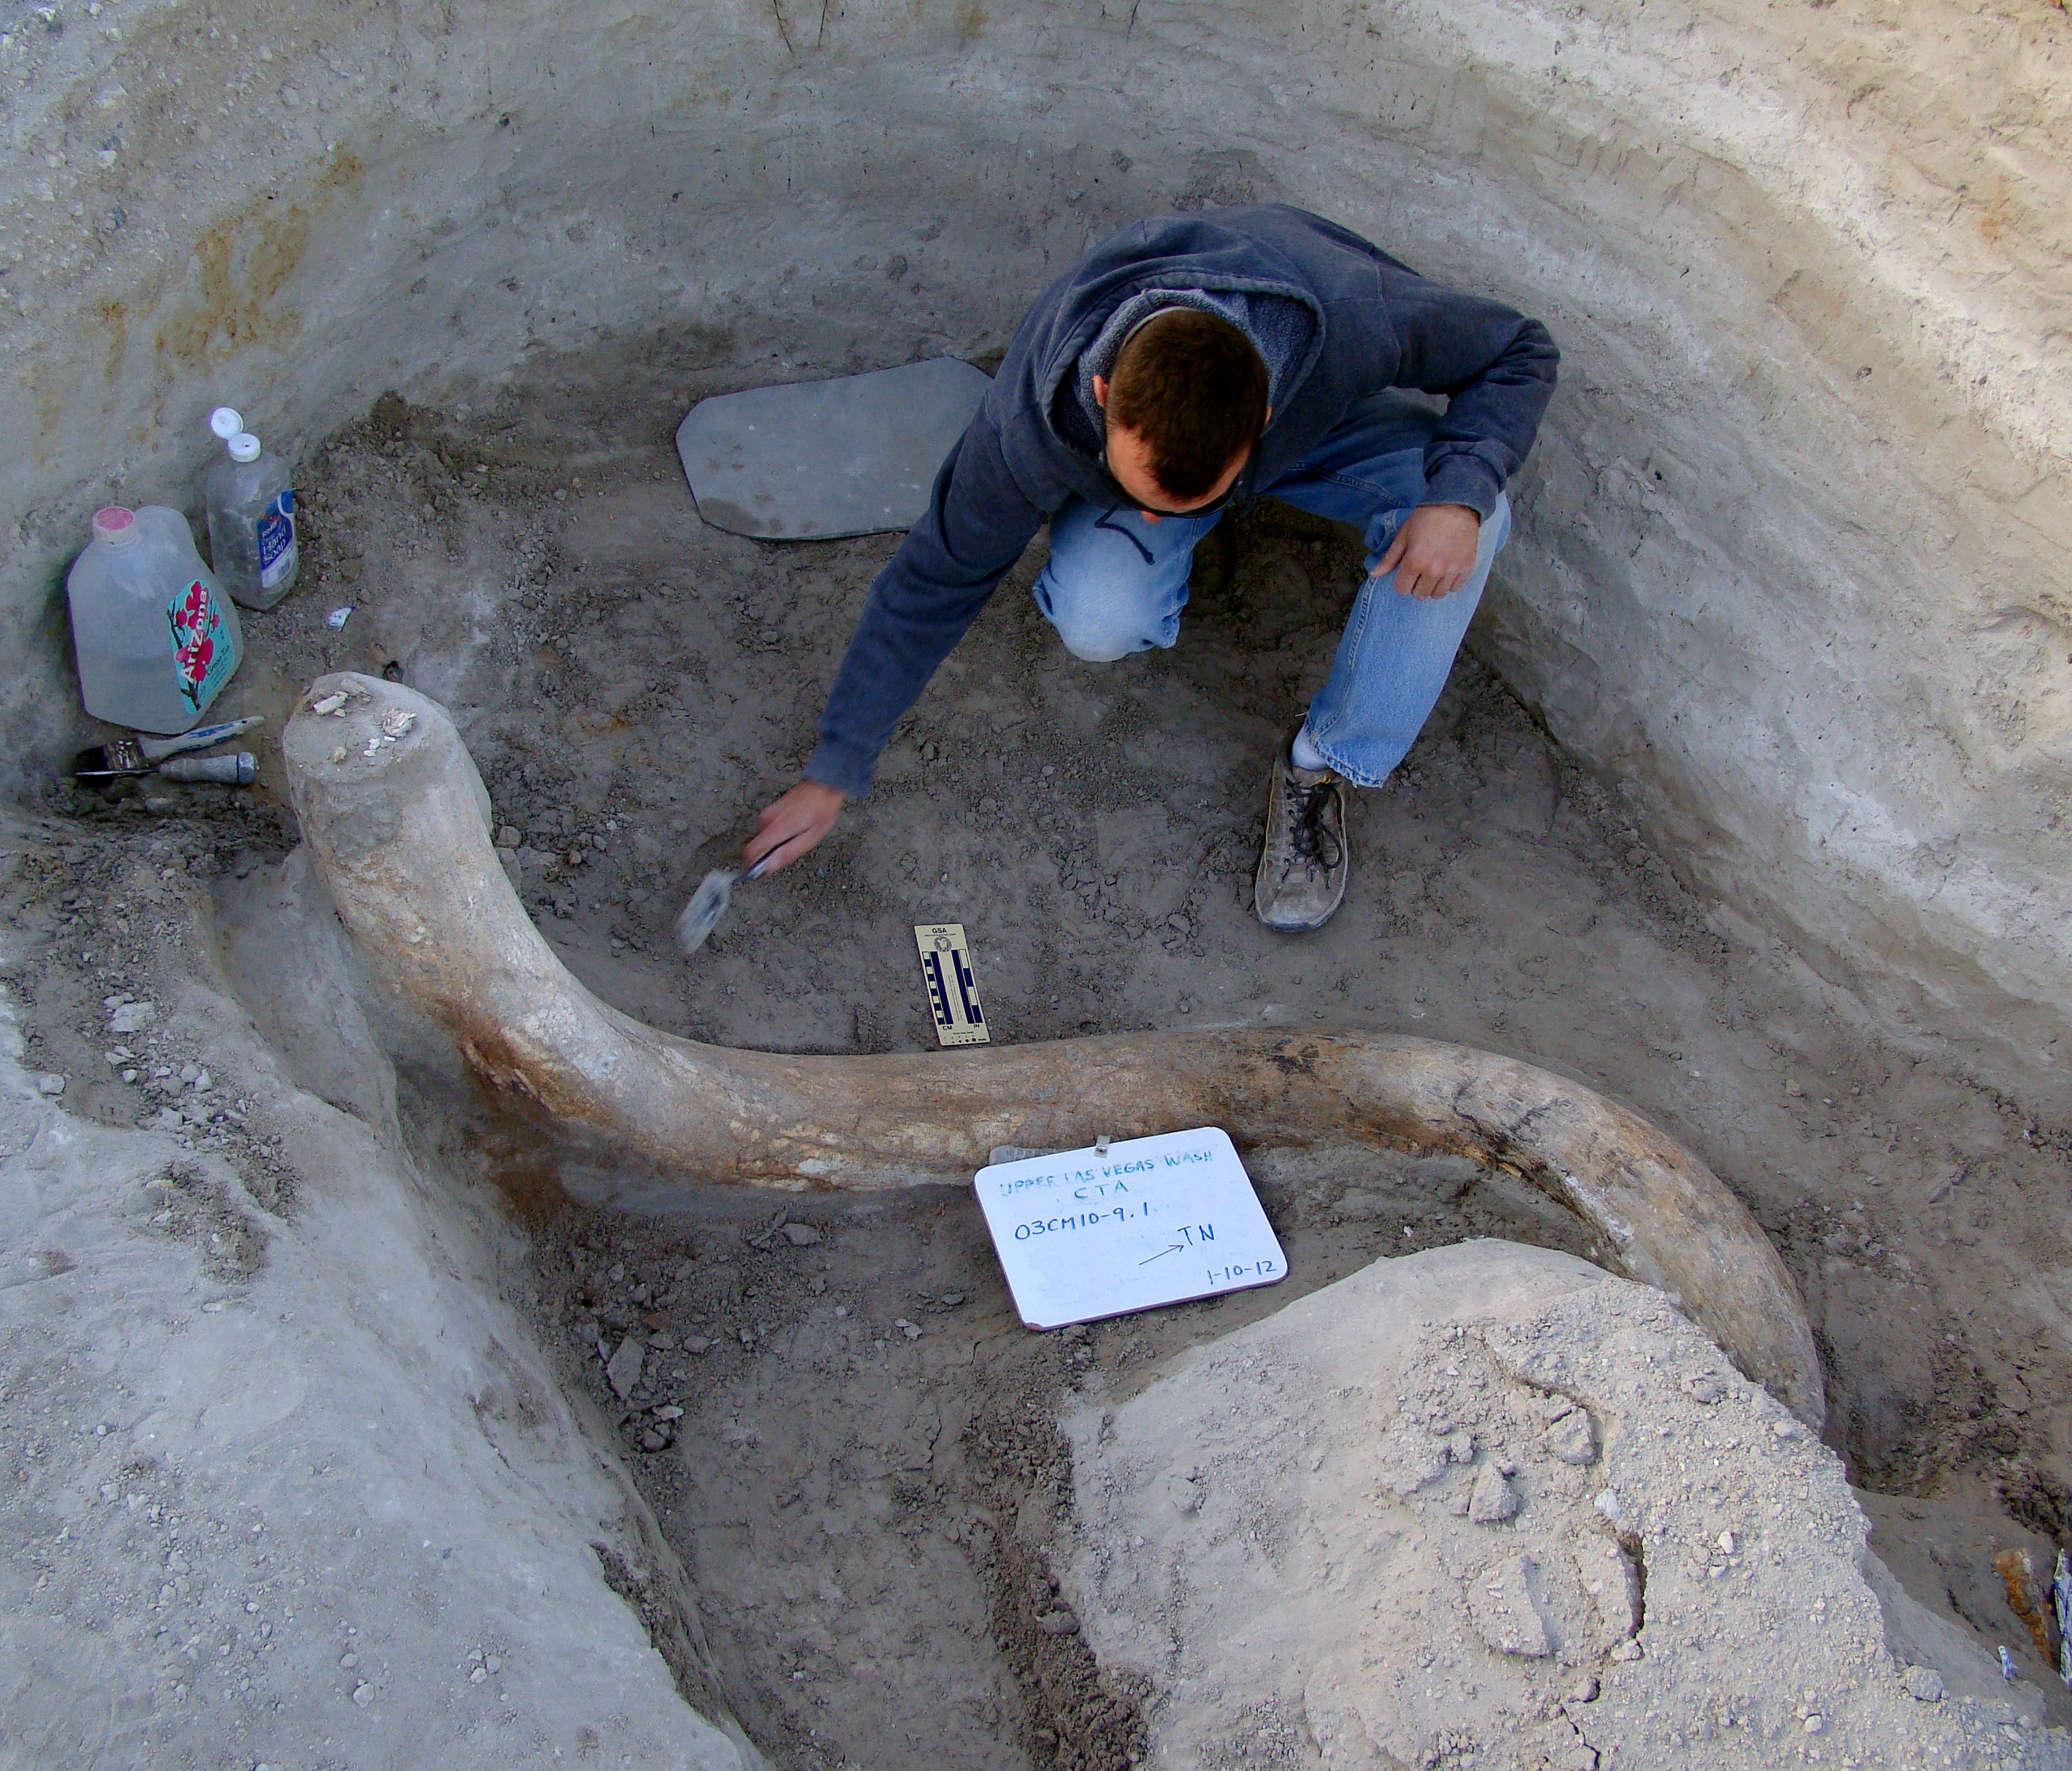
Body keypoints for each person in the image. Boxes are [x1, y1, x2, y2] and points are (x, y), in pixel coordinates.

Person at [744, 203, 1558, 931]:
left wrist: (1459, 493)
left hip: (1319, 432)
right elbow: (932, 580)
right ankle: (1156, 524)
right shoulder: (1031, 420)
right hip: (1191, 440)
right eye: (1148, 495)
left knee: (1477, 516)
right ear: (1103, 394)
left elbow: (1520, 349)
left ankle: (1321, 763)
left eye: (1191, 499)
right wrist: (834, 770)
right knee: (1100, 614)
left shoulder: (1354, 314)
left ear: (1264, 415)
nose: (1165, 516)